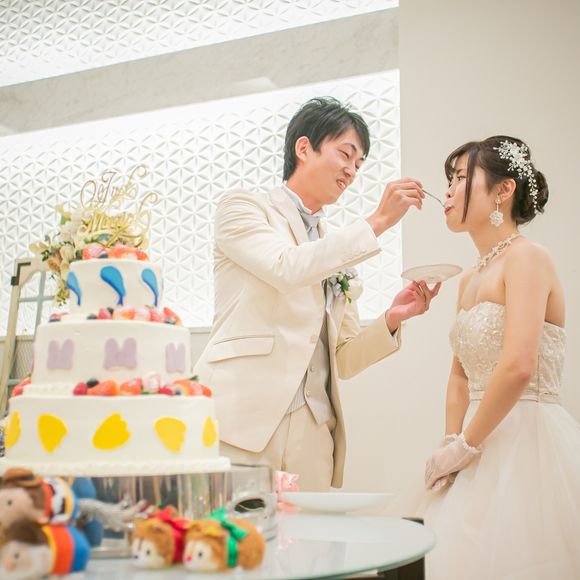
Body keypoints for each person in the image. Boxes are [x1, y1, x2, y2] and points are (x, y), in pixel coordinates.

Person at [194, 97, 440, 491]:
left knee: (310, 533)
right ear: (304, 148)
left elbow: (344, 358)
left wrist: (393, 319)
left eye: (359, 164)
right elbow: (285, 267)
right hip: (242, 421)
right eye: (346, 154)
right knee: (232, 530)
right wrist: (378, 221)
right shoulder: (244, 208)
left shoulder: (337, 249)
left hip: (315, 433)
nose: (352, 171)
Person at [423, 135, 580, 579]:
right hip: (476, 442)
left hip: (527, 440)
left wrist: (465, 446)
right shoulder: (468, 278)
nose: (448, 191)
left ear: (503, 190)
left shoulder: (528, 258)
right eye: (449, 181)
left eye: (460, 178)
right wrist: (449, 442)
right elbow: (459, 376)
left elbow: (518, 367)